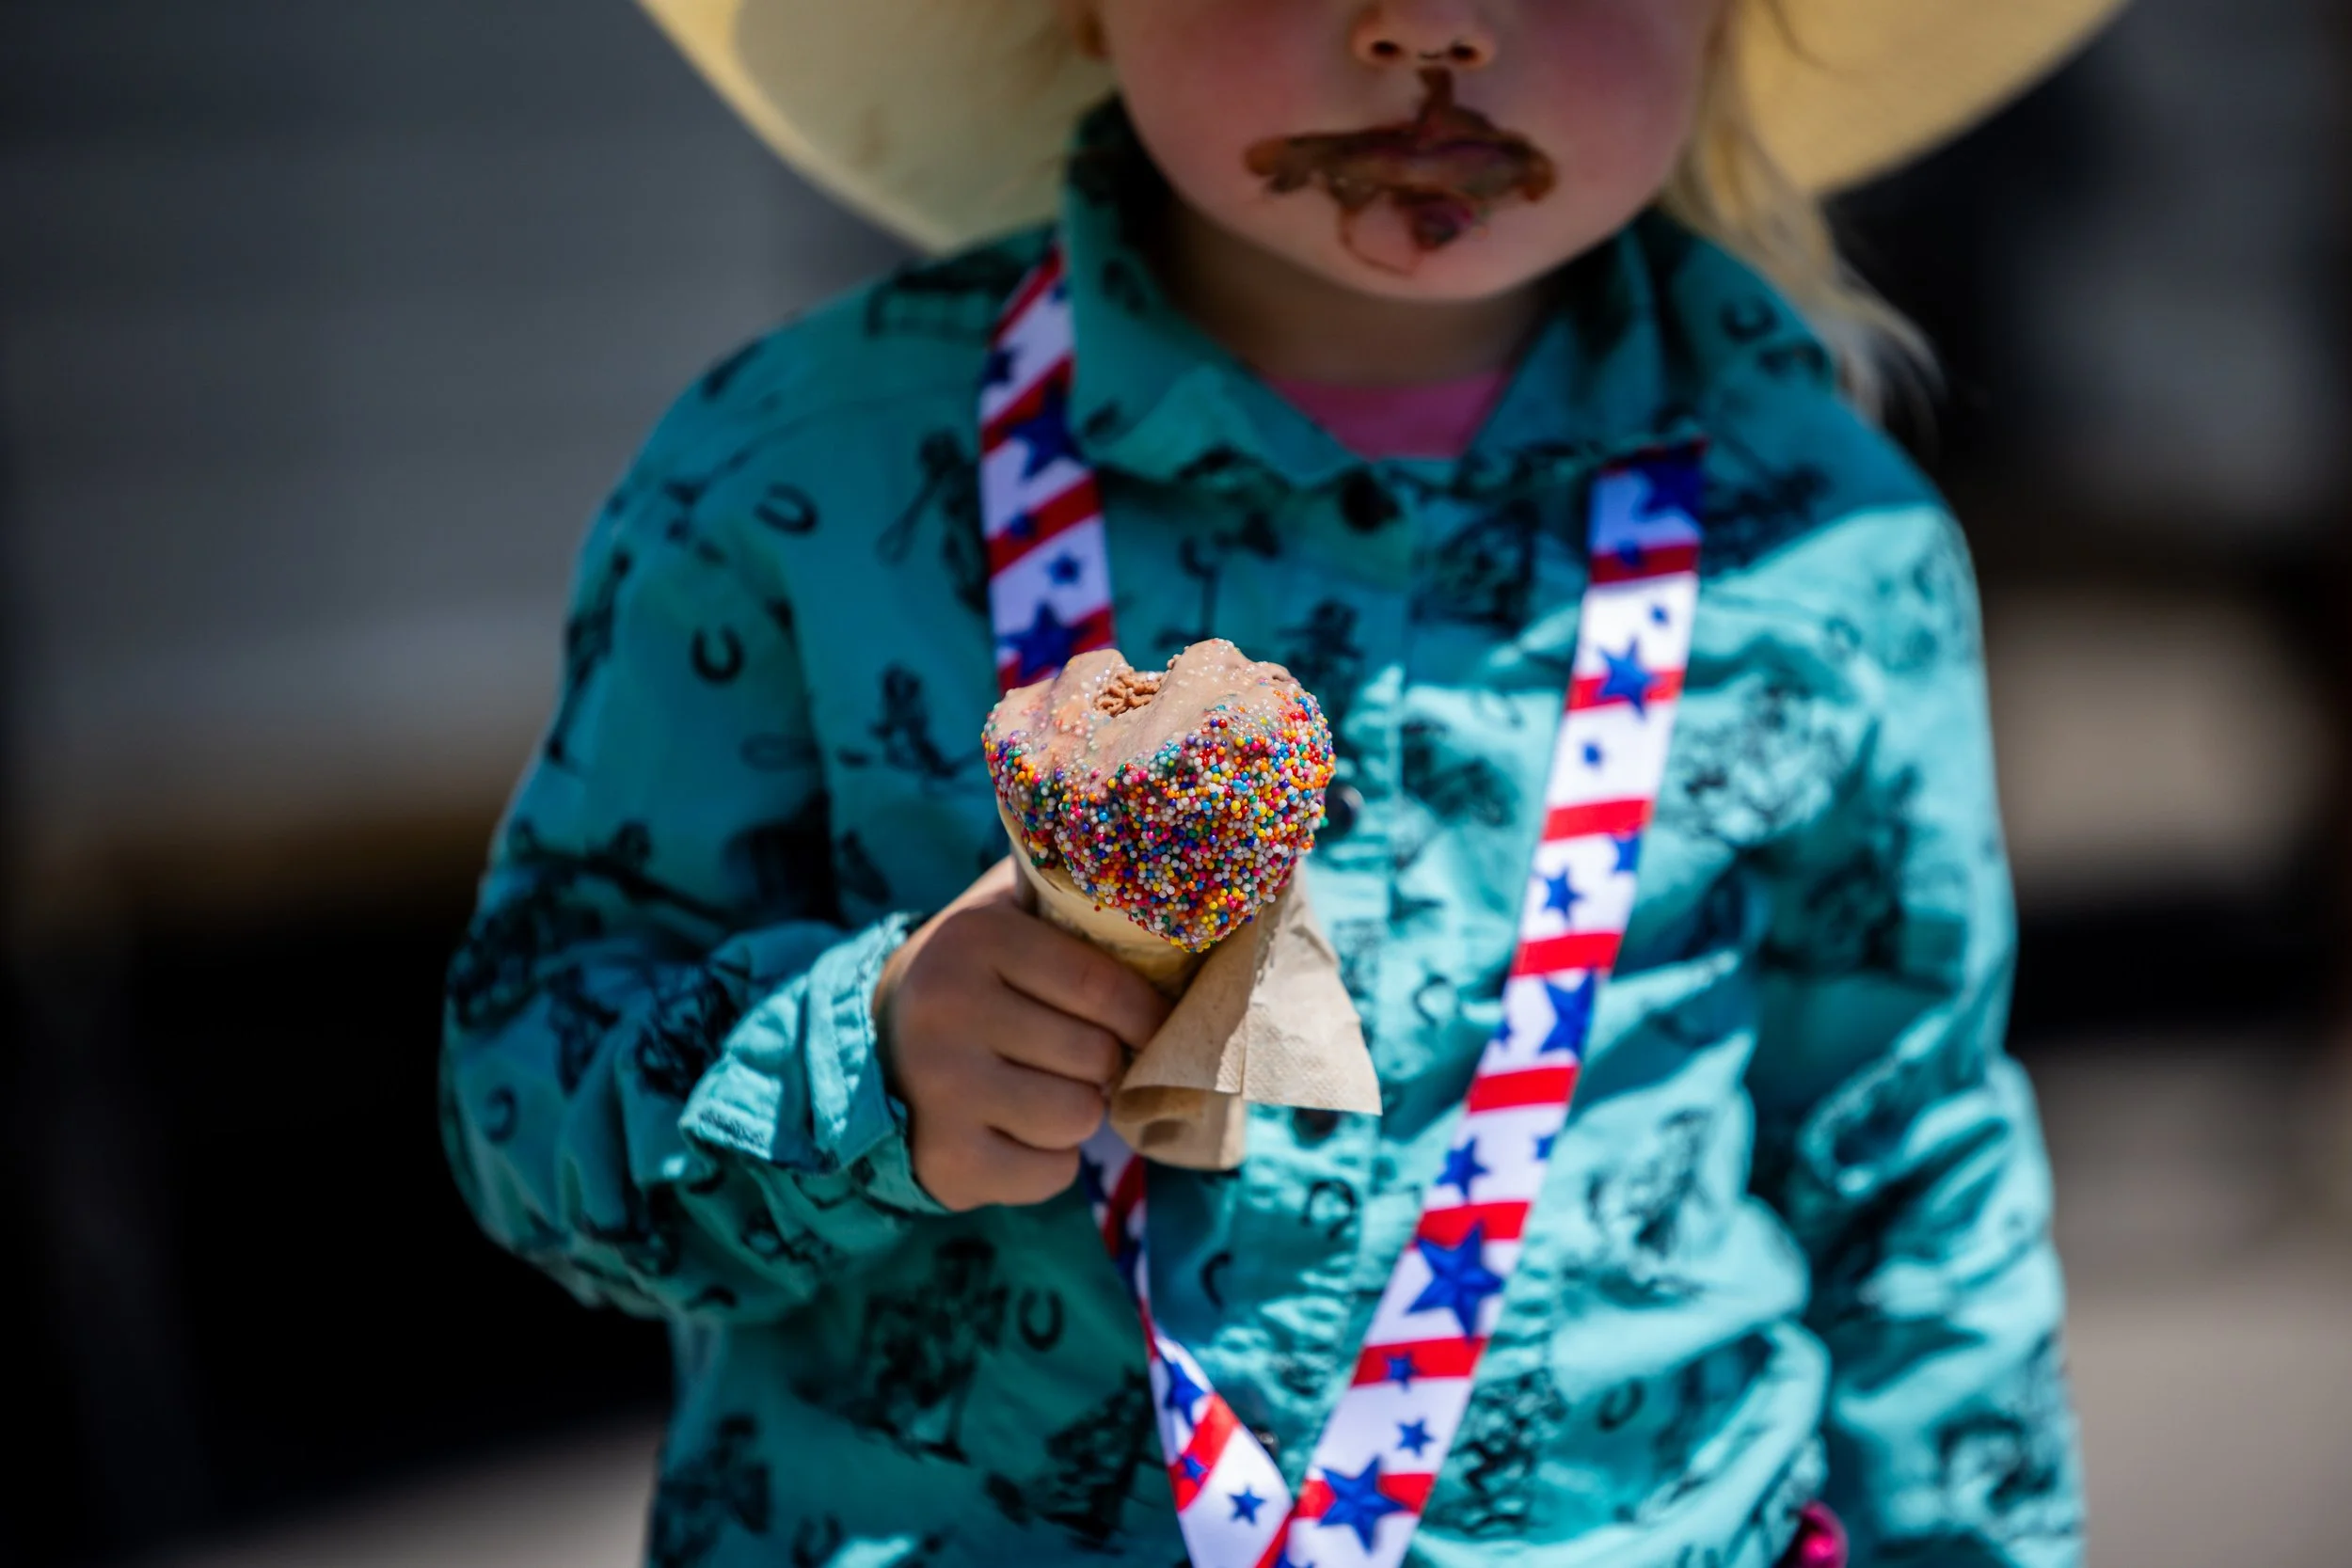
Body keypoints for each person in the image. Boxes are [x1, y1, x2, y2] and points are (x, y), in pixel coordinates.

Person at [440, 2, 2124, 1564]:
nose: (1436, 22)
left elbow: (1913, 1184)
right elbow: (522, 1090)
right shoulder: (788, 483)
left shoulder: (1836, 548)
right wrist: (864, 1064)